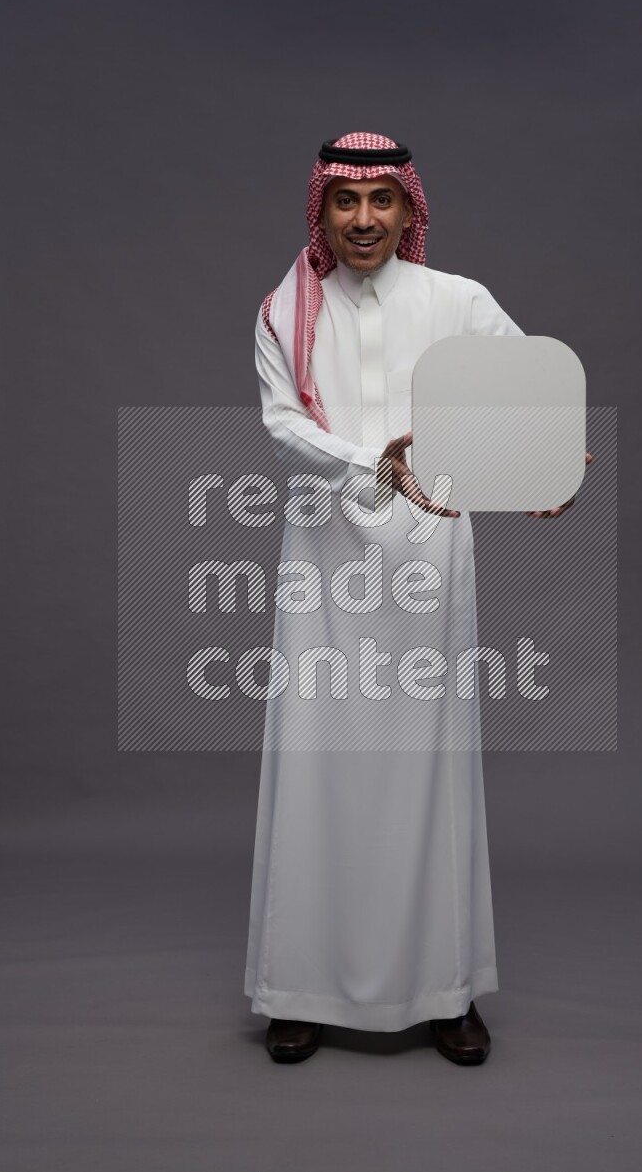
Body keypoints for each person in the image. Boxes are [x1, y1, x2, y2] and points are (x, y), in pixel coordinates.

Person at [244, 132, 576, 1065]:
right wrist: (374, 459)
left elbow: (528, 395)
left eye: (381, 201)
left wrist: (547, 463)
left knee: (431, 770)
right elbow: (282, 428)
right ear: (321, 209)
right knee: (318, 765)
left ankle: (446, 991)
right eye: (345, 202)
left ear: (407, 210)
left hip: (432, 560)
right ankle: (298, 989)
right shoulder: (286, 310)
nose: (363, 220)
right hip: (322, 560)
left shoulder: (458, 301)